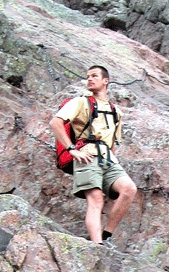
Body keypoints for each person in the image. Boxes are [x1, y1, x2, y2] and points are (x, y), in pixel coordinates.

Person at [49, 65, 137, 244]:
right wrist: (71, 149)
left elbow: (111, 142)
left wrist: (113, 159)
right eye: (88, 76)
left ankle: (107, 235)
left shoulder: (115, 111)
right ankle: (98, 246)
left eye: (94, 76)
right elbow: (55, 123)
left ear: (106, 81)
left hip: (108, 158)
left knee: (129, 189)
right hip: (87, 155)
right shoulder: (80, 102)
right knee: (96, 198)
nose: (89, 79)